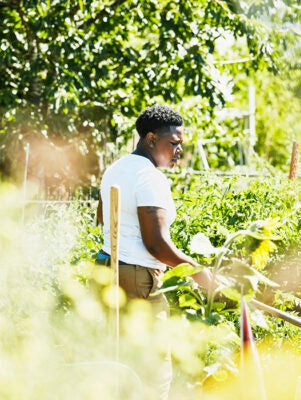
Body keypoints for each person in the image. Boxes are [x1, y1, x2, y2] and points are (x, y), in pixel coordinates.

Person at [95, 104, 214, 399]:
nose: (178, 152)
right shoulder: (150, 177)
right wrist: (199, 272)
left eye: (181, 145)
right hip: (137, 279)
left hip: (105, 271)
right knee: (153, 373)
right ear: (150, 139)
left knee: (117, 363)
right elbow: (156, 244)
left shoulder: (115, 169)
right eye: (173, 144)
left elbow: (102, 217)